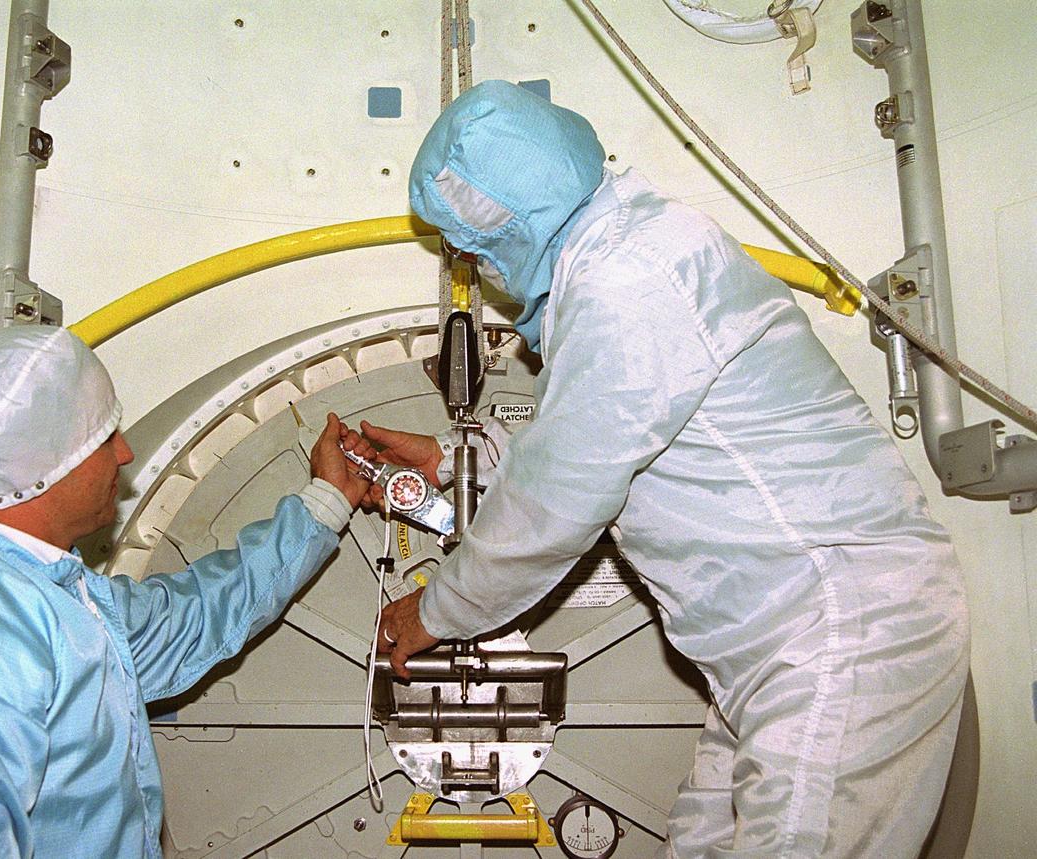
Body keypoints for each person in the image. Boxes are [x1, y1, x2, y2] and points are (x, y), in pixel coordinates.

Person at [370, 80, 969, 857]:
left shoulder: (629, 277)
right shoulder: (626, 256)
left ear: (512, 226)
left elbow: (557, 502)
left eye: (472, 248)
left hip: (834, 632)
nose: (478, 266)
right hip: (770, 647)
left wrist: (435, 612)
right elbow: (601, 440)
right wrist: (453, 462)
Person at [0, 325, 373, 858]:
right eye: (105, 439)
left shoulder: (42, 593)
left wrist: (326, 500)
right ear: (50, 468)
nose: (124, 454)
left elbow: (196, 617)